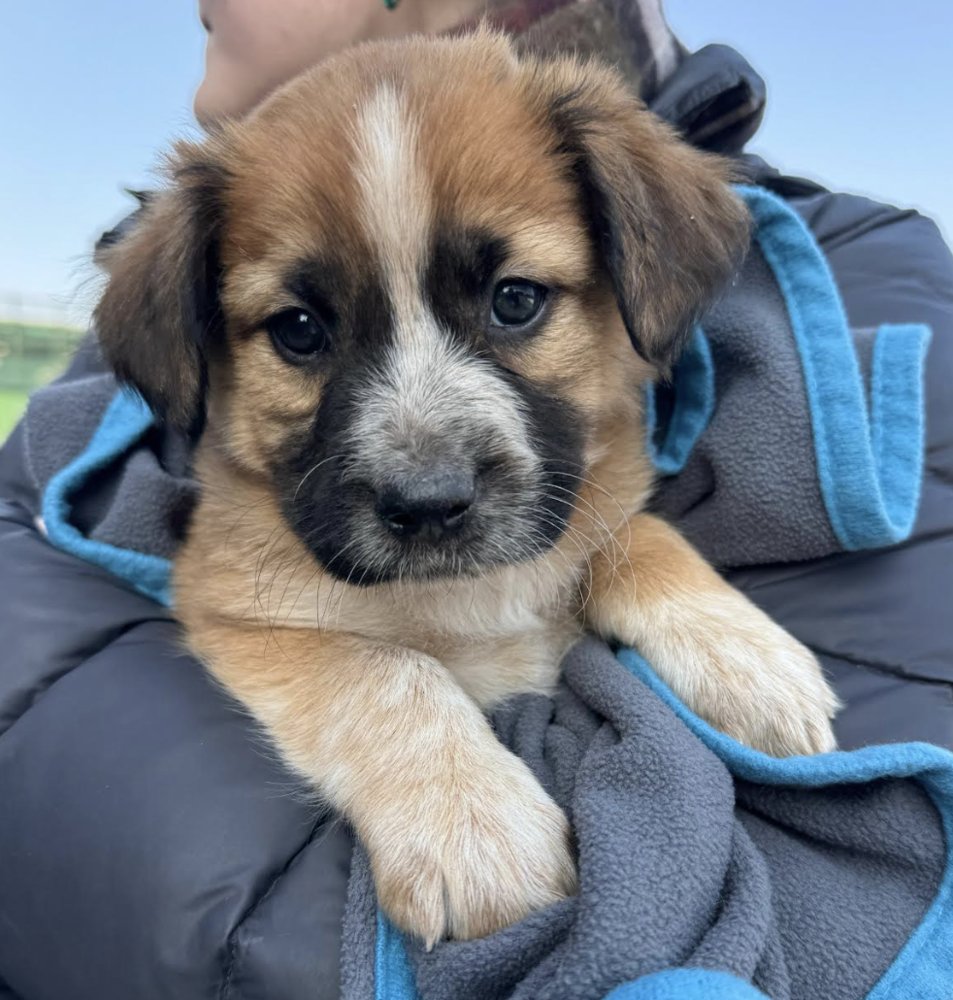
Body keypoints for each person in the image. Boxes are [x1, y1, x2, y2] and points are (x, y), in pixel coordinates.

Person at [0, 1, 950, 997]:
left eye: (514, 302)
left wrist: (646, 567)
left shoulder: (850, 262)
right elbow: (236, 616)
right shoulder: (191, 292)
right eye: (299, 331)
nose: (421, 465)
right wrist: (394, 724)